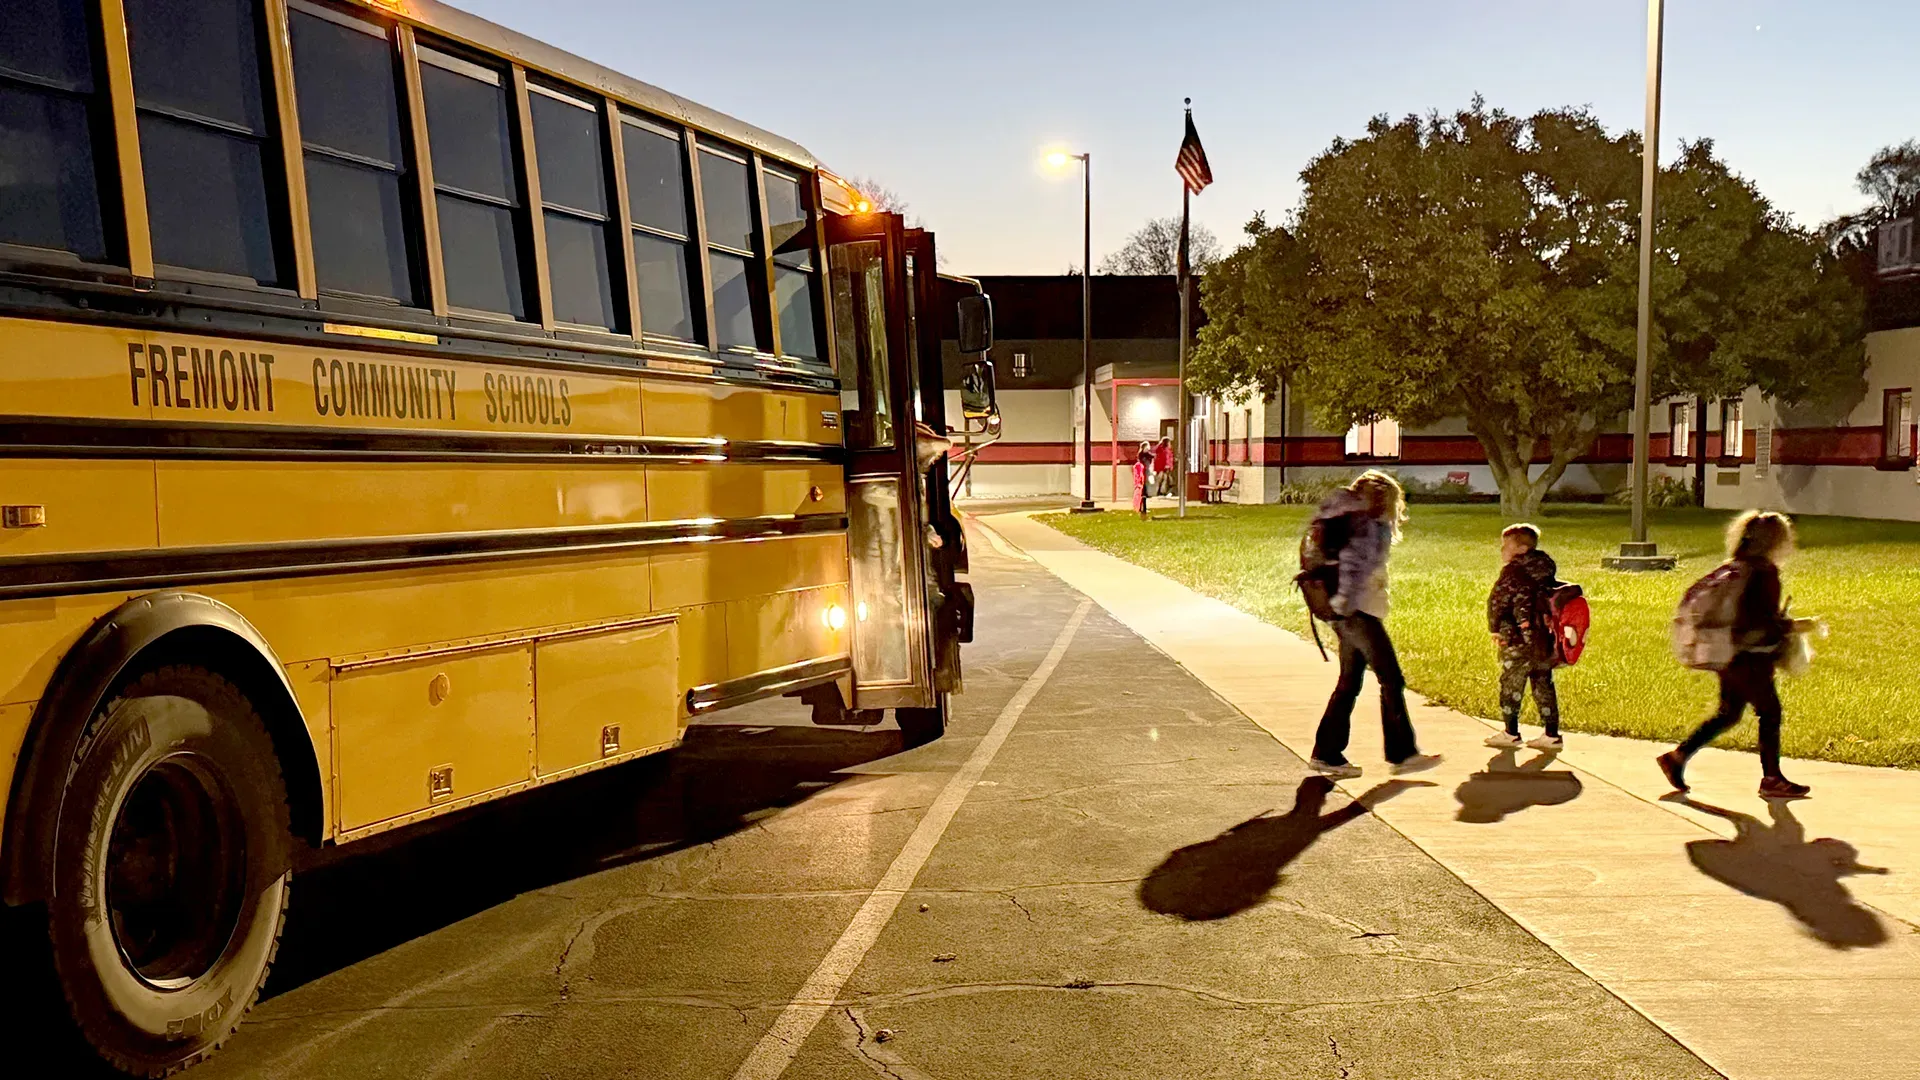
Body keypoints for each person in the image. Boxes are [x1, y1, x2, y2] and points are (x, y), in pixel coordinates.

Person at [1658, 510, 1810, 799]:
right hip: (1751, 655)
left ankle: (1677, 757)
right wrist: (1792, 626)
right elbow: (1760, 622)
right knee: (1769, 712)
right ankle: (1772, 778)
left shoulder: (1736, 566)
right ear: (1776, 540)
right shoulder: (1764, 572)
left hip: (1726, 651)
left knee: (1728, 713)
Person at [1307, 470, 1441, 778]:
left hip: (1342, 611)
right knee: (1391, 679)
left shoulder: (1342, 516)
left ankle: (1326, 753)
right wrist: (1345, 606)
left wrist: (1338, 608)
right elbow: (1355, 567)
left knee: (1349, 683)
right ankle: (1402, 753)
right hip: (1357, 613)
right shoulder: (1368, 525)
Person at [1484, 523, 1564, 751]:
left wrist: (1496, 628)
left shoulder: (1513, 571)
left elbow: (1498, 602)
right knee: (1543, 683)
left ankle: (1511, 732)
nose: (1502, 551)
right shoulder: (1545, 568)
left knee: (1511, 683)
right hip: (1541, 637)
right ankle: (1551, 734)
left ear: (1520, 549)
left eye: (1505, 546)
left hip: (1517, 639)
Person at [1132, 445, 1152, 519]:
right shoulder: (1141, 458)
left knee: (1144, 494)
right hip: (1142, 476)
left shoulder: (1148, 456)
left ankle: (1143, 508)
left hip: (1145, 475)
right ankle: (1141, 508)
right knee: (1142, 494)